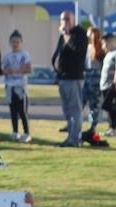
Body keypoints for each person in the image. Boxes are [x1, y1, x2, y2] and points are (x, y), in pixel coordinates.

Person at [50, 10, 87, 147]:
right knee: (67, 109)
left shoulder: (79, 33)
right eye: (62, 19)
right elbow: (60, 53)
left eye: (67, 19)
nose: (64, 22)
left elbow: (76, 48)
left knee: (75, 109)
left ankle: (75, 139)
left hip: (74, 77)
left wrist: (66, 34)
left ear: (73, 20)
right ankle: (70, 136)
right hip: (63, 77)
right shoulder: (63, 35)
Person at [2, 30, 32, 142]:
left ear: (21, 43)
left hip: (20, 86)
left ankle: (26, 133)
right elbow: (2, 70)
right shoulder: (7, 56)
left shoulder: (25, 55)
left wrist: (17, 70)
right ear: (10, 43)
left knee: (22, 110)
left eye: (17, 42)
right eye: (13, 42)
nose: (15, 44)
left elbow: (29, 69)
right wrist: (7, 71)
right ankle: (15, 132)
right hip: (10, 86)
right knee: (13, 110)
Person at [100, 34, 116, 137]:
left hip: (112, 85)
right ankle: (110, 127)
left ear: (111, 41)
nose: (103, 46)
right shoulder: (108, 54)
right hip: (104, 85)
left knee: (111, 107)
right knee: (108, 108)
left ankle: (113, 129)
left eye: (104, 43)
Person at [83, 27, 104, 136]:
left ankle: (92, 127)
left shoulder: (100, 49)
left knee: (94, 105)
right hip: (86, 77)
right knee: (81, 102)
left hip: (96, 79)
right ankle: (73, 124)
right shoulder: (87, 48)